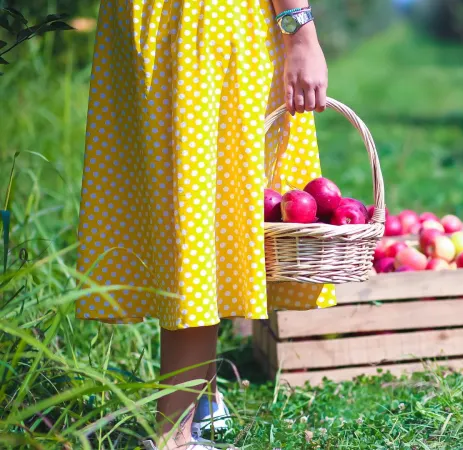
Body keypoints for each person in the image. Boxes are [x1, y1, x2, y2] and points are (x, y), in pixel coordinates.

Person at [76, 1, 336, 448]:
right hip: (209, 22)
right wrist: (301, 33)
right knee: (200, 220)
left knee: (181, 208)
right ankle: (172, 436)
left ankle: (200, 395)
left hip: (142, 19)